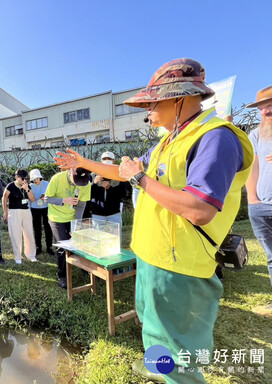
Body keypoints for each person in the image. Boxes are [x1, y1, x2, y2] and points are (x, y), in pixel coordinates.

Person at [55, 58, 253, 383]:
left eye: (151, 103)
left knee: (178, 357)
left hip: (178, 268)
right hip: (150, 257)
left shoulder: (216, 138)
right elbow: (123, 171)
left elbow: (200, 208)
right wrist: (85, 162)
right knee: (152, 327)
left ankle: (171, 374)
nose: (147, 113)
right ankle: (157, 368)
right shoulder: (168, 141)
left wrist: (141, 180)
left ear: (180, 98)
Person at [245, 85, 272, 317]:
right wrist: (252, 199)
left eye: (270, 106)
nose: (265, 111)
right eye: (262, 108)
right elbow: (252, 167)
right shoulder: (256, 134)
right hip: (261, 206)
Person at [44, 168, 91, 288]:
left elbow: (81, 206)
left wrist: (76, 226)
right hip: (56, 217)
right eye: (76, 181)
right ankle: (62, 276)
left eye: (81, 182)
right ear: (70, 172)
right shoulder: (57, 179)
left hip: (72, 217)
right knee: (62, 246)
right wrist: (63, 200)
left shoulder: (86, 183)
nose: (78, 184)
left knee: (79, 243)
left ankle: (84, 267)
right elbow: (46, 199)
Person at [88, 151, 128, 234]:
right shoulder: (93, 175)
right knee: (98, 240)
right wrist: (94, 183)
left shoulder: (120, 175)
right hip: (97, 214)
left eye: (109, 159)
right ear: (100, 161)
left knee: (115, 240)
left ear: (114, 161)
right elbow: (88, 195)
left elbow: (122, 193)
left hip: (114, 213)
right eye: (104, 159)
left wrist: (109, 188)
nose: (106, 160)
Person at [2, 169, 37, 264]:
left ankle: (31, 254)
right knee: (15, 234)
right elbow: (4, 198)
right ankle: (18, 256)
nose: (24, 181)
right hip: (14, 212)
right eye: (22, 179)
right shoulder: (11, 186)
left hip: (25, 211)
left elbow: (33, 199)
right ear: (17, 177)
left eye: (26, 179)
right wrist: (5, 212)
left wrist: (27, 189)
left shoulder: (27, 186)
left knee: (29, 233)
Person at [29, 169, 54, 256]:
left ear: (40, 177)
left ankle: (49, 247)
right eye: (34, 179)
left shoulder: (47, 184)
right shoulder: (30, 186)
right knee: (37, 228)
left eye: (37, 178)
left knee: (48, 227)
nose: (36, 181)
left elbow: (52, 195)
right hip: (35, 209)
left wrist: (46, 197)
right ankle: (38, 247)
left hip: (46, 208)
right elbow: (29, 200)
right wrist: (30, 212)